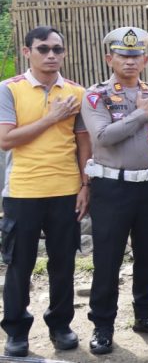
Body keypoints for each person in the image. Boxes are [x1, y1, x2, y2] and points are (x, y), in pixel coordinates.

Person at [80, 27, 148, 354]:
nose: (129, 60)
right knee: (107, 259)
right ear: (110, 58)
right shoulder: (96, 95)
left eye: (136, 55)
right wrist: (142, 113)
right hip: (112, 187)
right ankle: (103, 326)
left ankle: (146, 315)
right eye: (123, 54)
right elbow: (103, 136)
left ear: (145, 59)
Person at [0, 26, 89, 358]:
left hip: (66, 190)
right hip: (23, 191)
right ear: (27, 53)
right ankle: (17, 331)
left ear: (64, 53)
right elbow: (6, 139)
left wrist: (85, 185)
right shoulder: (9, 90)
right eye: (43, 49)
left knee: (63, 263)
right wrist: (52, 117)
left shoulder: (76, 93)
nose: (51, 55)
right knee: (19, 264)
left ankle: (61, 325)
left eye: (57, 49)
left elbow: (84, 142)